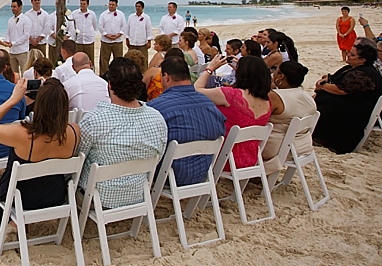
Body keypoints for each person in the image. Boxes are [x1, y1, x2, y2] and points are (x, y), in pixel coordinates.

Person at [0, 78, 81, 230]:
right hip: (55, 195)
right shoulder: (74, 131)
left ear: (38, 105)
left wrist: (13, 100)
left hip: (22, 199)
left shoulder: (22, 135)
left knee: (9, 178)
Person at [75, 57, 168, 206]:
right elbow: (159, 156)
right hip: (138, 192)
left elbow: (79, 157)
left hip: (99, 197)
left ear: (110, 85)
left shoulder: (94, 120)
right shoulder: (157, 119)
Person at [148, 55, 226, 186]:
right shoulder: (209, 104)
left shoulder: (157, 108)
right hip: (202, 173)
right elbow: (220, 133)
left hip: (170, 175)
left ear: (166, 77)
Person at [193, 55, 272, 170]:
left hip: (226, 158)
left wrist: (209, 69)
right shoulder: (267, 101)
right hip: (251, 158)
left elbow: (196, 91)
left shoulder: (231, 95)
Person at [313, 43, 382, 154]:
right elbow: (337, 79)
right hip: (356, 104)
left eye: (352, 54)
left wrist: (322, 86)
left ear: (362, 60)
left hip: (357, 112)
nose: (347, 54)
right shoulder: (357, 68)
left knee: (322, 104)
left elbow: (341, 90)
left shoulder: (363, 74)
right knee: (320, 99)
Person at [261, 61, 317, 183]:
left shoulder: (275, 96)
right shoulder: (306, 96)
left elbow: (258, 118)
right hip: (302, 145)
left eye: (276, 70)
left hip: (276, 148)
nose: (273, 73)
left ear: (281, 76)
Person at [98, 0, 127, 75]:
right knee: (104, 60)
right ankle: (103, 75)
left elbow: (124, 26)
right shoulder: (103, 15)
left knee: (118, 59)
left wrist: (118, 35)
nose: (111, 6)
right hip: (106, 40)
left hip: (118, 41)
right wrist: (107, 35)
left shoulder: (121, 14)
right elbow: (100, 27)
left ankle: (118, 75)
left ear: (116, 5)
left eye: (113, 5)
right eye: (110, 4)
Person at [3, 0, 32, 76]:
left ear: (20, 7)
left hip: (22, 51)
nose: (13, 9)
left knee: (24, 72)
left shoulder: (26, 20)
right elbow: (8, 32)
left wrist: (13, 43)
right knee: (13, 73)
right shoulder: (10, 20)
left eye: (14, 6)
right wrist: (7, 40)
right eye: (12, 7)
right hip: (12, 51)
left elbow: (26, 36)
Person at [125, 0, 153, 65]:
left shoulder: (146, 18)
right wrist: (127, 38)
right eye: (136, 6)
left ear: (142, 8)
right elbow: (128, 28)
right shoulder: (131, 17)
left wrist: (149, 41)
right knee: (130, 59)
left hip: (142, 43)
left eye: (139, 6)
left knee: (143, 60)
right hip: (132, 42)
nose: (137, 8)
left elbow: (148, 30)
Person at [71, 0, 98, 65]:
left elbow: (94, 25)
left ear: (87, 5)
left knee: (90, 58)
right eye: (81, 3)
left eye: (84, 4)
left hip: (89, 40)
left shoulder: (92, 14)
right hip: (78, 40)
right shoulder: (74, 13)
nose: (82, 5)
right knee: (78, 59)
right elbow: (72, 26)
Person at [47, 0, 74, 65]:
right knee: (52, 61)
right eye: (56, 3)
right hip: (53, 42)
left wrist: (64, 38)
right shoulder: (51, 16)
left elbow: (71, 30)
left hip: (64, 42)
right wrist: (56, 38)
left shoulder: (69, 16)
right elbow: (49, 29)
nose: (58, 5)